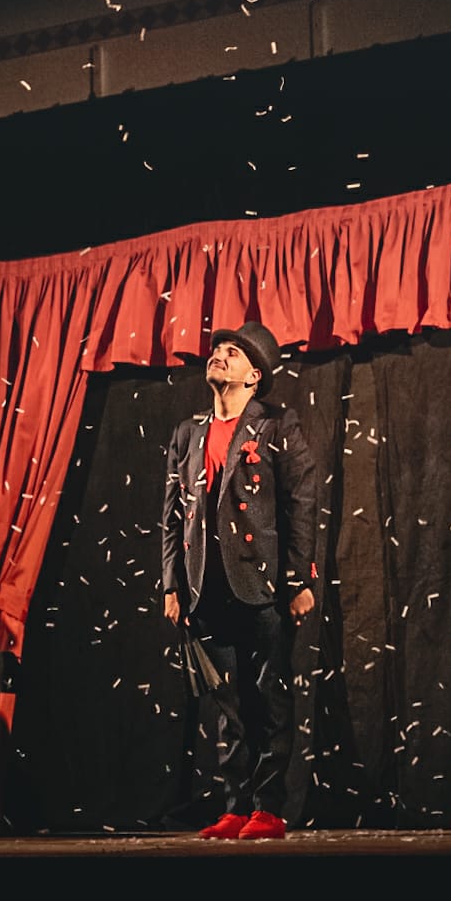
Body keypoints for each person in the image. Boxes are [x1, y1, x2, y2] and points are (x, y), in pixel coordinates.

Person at [161, 320, 318, 839]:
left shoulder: (277, 425)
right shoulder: (187, 433)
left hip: (263, 584)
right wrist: (172, 584)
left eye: (233, 352)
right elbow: (173, 515)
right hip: (205, 585)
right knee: (226, 704)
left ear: (255, 375)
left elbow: (301, 503)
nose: (219, 355)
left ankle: (268, 808)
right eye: (218, 349)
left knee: (268, 696)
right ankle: (236, 805)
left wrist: (299, 580)